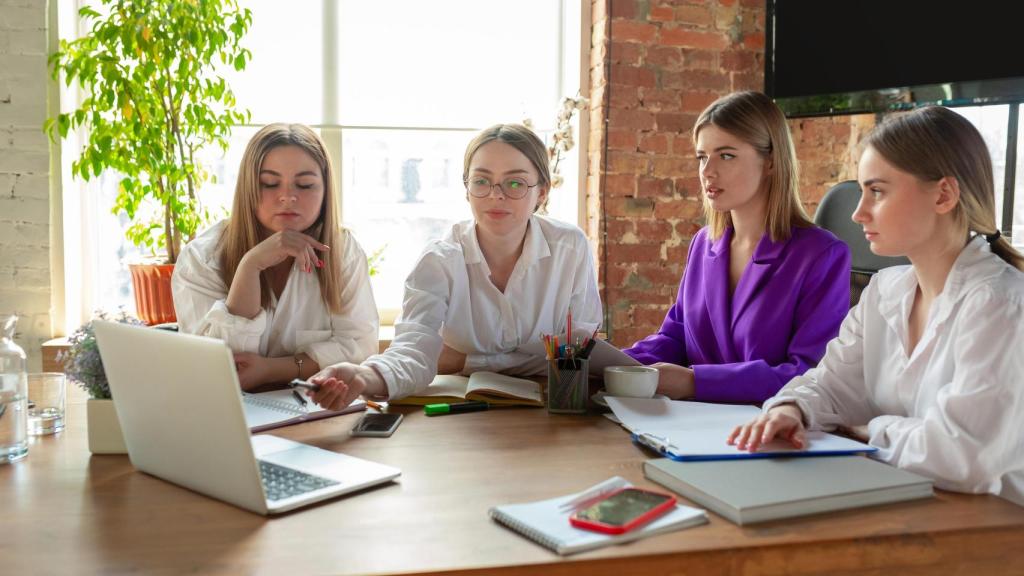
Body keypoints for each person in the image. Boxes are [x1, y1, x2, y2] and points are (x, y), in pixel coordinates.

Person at [729, 106, 1024, 506]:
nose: (857, 212)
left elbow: (963, 456)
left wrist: (872, 431)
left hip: (992, 531)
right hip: (909, 503)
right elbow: (832, 384)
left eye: (878, 191)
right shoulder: (886, 289)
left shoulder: (1000, 303)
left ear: (943, 195)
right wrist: (792, 409)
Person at [306, 124, 602, 410]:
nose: (495, 195)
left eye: (515, 183)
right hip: (464, 415)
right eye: (482, 181)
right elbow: (415, 349)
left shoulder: (570, 248)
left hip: (555, 408)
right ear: (466, 189)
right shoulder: (439, 260)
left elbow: (579, 352)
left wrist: (465, 361)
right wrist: (362, 376)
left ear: (542, 193)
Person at [623, 91, 851, 404]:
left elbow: (810, 374)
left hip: (766, 430)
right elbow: (674, 337)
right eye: (702, 156)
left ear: (770, 162)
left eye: (726, 155)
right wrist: (608, 363)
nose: (707, 171)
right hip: (687, 425)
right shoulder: (704, 244)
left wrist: (695, 382)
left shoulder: (821, 255)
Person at [172, 123, 379, 390]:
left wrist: (271, 370)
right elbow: (219, 366)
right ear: (248, 188)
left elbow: (360, 348)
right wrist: (250, 266)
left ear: (325, 191)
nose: (287, 197)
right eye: (270, 183)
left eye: (305, 185)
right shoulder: (201, 258)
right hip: (230, 414)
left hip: (317, 411)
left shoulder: (342, 250)